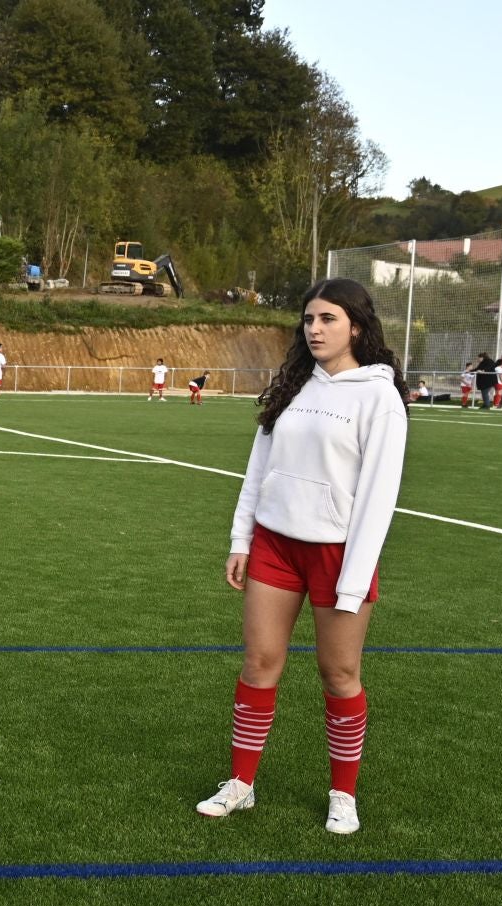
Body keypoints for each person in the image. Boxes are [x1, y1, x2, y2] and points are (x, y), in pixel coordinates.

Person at [196, 276, 408, 836]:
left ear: (356, 326)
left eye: (328, 319)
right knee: (260, 662)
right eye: (309, 320)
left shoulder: (379, 397)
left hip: (339, 554)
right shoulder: (292, 385)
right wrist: (242, 540)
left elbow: (379, 499)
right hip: (274, 545)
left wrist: (354, 579)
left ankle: (343, 793)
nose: (314, 329)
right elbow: (257, 472)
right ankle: (241, 785)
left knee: (338, 672)